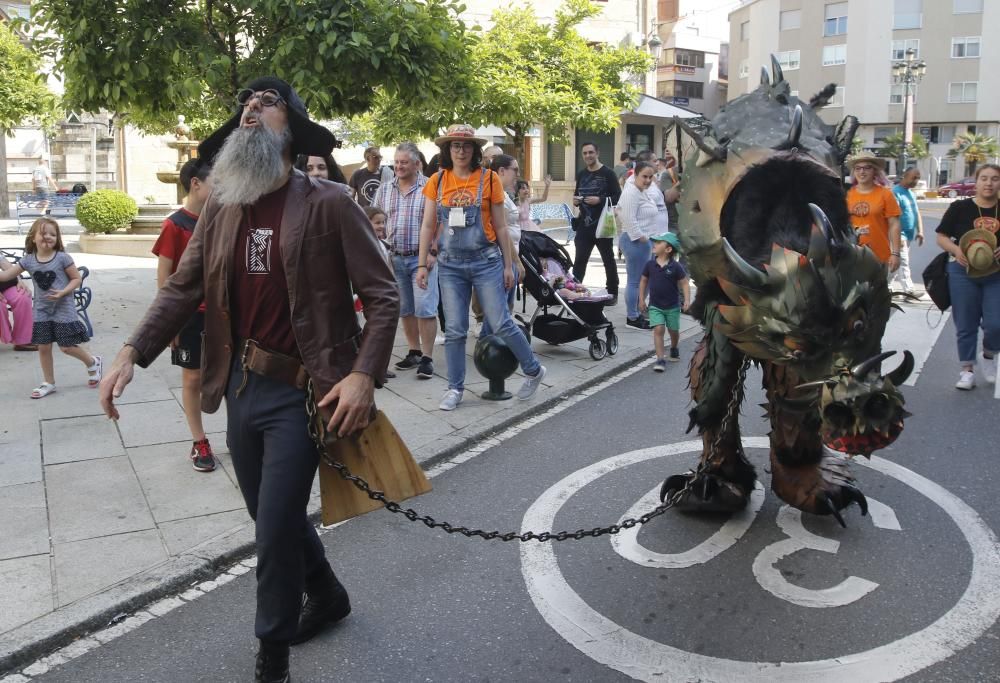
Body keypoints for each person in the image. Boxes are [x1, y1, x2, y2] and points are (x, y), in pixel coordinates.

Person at [97, 77, 399, 683]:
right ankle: (328, 594)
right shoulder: (222, 207)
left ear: (294, 129)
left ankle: (273, 655)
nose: (253, 110)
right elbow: (183, 287)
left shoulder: (328, 203)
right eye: (246, 105)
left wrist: (365, 373)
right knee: (273, 518)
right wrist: (132, 349)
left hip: (302, 392)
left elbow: (384, 296)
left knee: (275, 526)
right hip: (239, 387)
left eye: (269, 104)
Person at [415, 124, 548, 411]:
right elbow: (428, 225)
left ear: (474, 150)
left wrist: (510, 264)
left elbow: (501, 226)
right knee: (454, 329)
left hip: (486, 261)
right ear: (447, 150)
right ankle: (454, 388)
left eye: (466, 146)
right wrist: (422, 264)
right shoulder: (436, 182)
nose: (460, 151)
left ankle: (534, 370)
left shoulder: (489, 180)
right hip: (450, 266)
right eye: (455, 146)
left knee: (501, 322)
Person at [151, 157, 217, 472]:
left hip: (222, 314)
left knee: (230, 374)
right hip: (190, 315)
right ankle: (199, 441)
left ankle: (240, 434)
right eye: (215, 182)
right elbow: (165, 277)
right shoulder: (175, 225)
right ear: (196, 183)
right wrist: (169, 322)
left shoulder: (220, 219)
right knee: (192, 377)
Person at [0, 218, 102, 398]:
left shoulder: (62, 257)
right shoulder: (28, 260)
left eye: (52, 234)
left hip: (63, 308)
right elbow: (7, 274)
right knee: (43, 347)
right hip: (41, 310)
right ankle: (49, 382)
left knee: (66, 347)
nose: (48, 236)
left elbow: (76, 279)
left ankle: (92, 362)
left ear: (57, 238)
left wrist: (63, 292)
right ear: (33, 237)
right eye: (43, 233)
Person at [372, 142, 438, 380]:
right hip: (394, 258)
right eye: (396, 162)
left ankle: (428, 359)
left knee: (425, 308)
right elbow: (375, 218)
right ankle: (414, 351)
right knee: (405, 309)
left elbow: (440, 221)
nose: (398, 166)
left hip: (422, 260)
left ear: (417, 164)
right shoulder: (385, 189)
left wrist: (433, 251)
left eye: (404, 162)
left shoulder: (430, 186)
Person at [934, 163, 1000, 391]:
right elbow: (941, 236)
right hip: (962, 272)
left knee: (996, 324)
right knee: (965, 323)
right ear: (976, 181)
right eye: (984, 178)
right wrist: (956, 250)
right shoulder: (959, 207)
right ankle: (967, 370)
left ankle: (989, 355)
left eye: (994, 179)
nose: (989, 183)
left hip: (996, 274)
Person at [616, 161, 664, 330]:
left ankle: (638, 311)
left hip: (647, 241)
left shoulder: (642, 191)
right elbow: (627, 218)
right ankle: (632, 317)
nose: (648, 180)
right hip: (635, 241)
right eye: (644, 176)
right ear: (635, 175)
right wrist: (641, 238)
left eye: (651, 177)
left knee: (646, 280)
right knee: (636, 281)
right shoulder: (632, 193)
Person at [572, 142, 621, 304]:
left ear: (597, 153)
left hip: (603, 225)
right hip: (584, 226)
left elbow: (618, 196)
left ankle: (612, 293)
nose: (587, 156)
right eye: (585, 153)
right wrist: (576, 201)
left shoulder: (608, 173)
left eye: (590, 152)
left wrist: (600, 200)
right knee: (579, 261)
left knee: (608, 259)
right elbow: (577, 194)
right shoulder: (581, 174)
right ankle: (574, 292)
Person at [481, 154, 525, 333]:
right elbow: (502, 232)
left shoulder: (504, 194)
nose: (517, 174)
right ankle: (490, 345)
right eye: (514, 169)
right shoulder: (496, 194)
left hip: (508, 256)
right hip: (502, 258)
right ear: (501, 170)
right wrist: (516, 262)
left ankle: (494, 344)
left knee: (503, 307)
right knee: (499, 309)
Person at [638, 232, 690, 371]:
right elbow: (643, 281)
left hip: (672, 306)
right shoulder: (650, 265)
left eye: (659, 242)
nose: (655, 244)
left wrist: (686, 300)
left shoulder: (676, 267)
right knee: (658, 329)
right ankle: (660, 359)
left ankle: (674, 347)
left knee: (673, 330)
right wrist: (641, 299)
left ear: (668, 249)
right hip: (655, 306)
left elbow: (684, 283)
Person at [845, 153, 902, 272]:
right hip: (852, 256)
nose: (862, 172)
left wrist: (896, 253)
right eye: (858, 168)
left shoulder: (885, 194)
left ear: (875, 171)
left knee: (877, 290)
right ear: (854, 172)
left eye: (867, 168)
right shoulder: (847, 195)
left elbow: (894, 225)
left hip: (879, 256)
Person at [891, 167, 925, 295]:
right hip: (900, 235)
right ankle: (909, 291)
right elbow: (892, 217)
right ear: (905, 176)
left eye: (918, 178)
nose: (916, 181)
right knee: (904, 262)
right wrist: (898, 236)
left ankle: (885, 285)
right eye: (913, 177)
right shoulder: (895, 193)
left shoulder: (911, 193)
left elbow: (917, 213)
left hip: (908, 236)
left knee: (896, 263)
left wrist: (920, 231)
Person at [0, 254, 36, 351]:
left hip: (4, 284)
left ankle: (23, 340)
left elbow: (6, 266)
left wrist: (18, 280)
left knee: (23, 297)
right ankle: (5, 335)